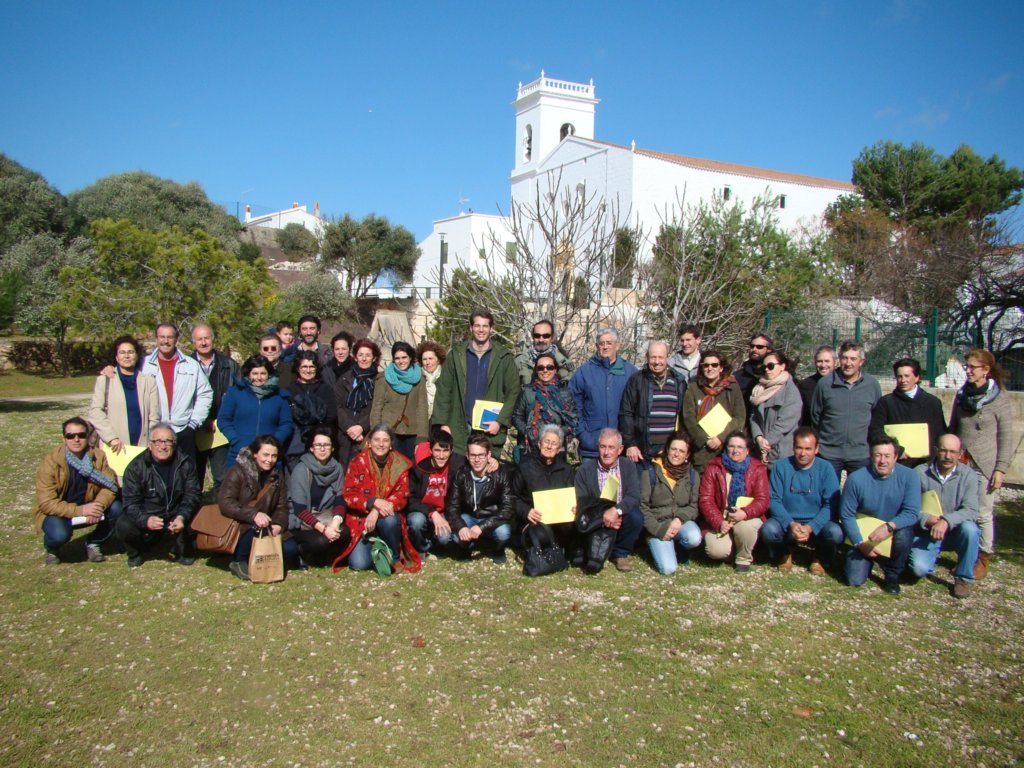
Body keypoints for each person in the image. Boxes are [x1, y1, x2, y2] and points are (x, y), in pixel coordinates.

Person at [949, 348, 1013, 580]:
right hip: (962, 462)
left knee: (983, 513)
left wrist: (1000, 468)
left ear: (986, 370)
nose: (968, 371)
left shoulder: (1000, 399)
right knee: (961, 510)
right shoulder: (961, 394)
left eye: (972, 367)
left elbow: (1005, 437)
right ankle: (965, 553)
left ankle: (983, 556)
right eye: (967, 366)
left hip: (985, 464)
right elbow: (953, 427)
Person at [432, 309, 521, 457]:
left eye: (485, 326)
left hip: (488, 428)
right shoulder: (456, 355)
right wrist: (443, 423)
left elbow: (513, 392)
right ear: (471, 328)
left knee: (486, 475)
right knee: (458, 473)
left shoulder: (503, 357)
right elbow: (444, 390)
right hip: (459, 426)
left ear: (491, 329)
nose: (481, 330)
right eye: (477, 325)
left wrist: (500, 422)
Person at [33, 417, 121, 564]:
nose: (76, 439)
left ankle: (94, 542)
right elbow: (46, 503)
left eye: (81, 435)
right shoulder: (51, 461)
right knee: (59, 534)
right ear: (64, 438)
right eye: (70, 436)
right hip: (59, 511)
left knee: (118, 508)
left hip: (91, 506)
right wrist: (80, 510)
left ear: (88, 437)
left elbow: (110, 486)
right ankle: (52, 548)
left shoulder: (98, 456)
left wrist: (97, 506)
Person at [839, 435, 920, 594]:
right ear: (871, 456)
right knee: (854, 580)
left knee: (905, 534)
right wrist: (860, 544)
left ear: (896, 457)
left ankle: (892, 575)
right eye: (878, 455)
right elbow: (846, 514)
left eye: (887, 456)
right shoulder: (856, 479)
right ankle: (869, 559)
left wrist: (889, 527)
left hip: (895, 531)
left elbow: (912, 513)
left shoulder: (910, 477)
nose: (883, 461)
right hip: (865, 536)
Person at [115, 423, 202, 568]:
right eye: (158, 442)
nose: (163, 446)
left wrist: (182, 516)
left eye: (168, 441)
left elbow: (192, 494)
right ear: (150, 445)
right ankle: (135, 552)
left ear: (174, 444)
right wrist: (145, 519)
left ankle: (182, 546)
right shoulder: (135, 467)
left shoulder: (186, 463)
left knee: (200, 514)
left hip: (176, 511)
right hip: (149, 512)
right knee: (124, 525)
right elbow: (130, 503)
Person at [337, 424, 419, 572]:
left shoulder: (400, 464)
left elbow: (401, 496)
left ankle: (393, 556)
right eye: (377, 440)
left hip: (386, 517)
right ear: (369, 442)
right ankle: (376, 545)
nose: (381, 444)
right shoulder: (357, 462)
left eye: (385, 440)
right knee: (359, 564)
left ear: (391, 444)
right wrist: (372, 502)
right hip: (361, 520)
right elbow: (349, 494)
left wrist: (376, 510)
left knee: (390, 519)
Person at [907, 434, 980, 599]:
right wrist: (927, 519)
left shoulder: (969, 475)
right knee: (918, 569)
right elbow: (909, 507)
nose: (948, 456)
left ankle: (963, 578)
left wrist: (947, 521)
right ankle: (927, 556)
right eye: (944, 451)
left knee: (971, 530)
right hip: (927, 532)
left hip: (955, 530)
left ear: (960, 453)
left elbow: (971, 510)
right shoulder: (919, 473)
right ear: (935, 450)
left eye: (953, 452)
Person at [761, 427, 843, 574]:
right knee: (769, 530)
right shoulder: (781, 467)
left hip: (816, 521)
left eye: (808, 448)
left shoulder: (826, 468)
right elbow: (773, 500)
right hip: (789, 521)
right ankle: (784, 553)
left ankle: (820, 557)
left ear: (816, 449)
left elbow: (831, 504)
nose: (802, 453)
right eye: (799, 448)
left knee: (835, 533)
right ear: (793, 447)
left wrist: (812, 526)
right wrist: (790, 523)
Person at [217, 435, 297, 581]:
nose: (269, 460)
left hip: (267, 523)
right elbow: (225, 502)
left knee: (290, 549)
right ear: (255, 454)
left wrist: (279, 524)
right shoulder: (238, 471)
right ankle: (239, 560)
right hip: (242, 523)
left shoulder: (277, 476)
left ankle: (257, 555)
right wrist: (253, 515)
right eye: (265, 455)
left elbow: (282, 506)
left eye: (274, 456)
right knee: (254, 528)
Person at [140, 322, 213, 466]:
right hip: (154, 432)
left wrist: (193, 423)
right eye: (162, 337)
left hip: (183, 430)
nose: (165, 341)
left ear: (176, 339)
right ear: (156, 339)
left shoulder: (191, 365)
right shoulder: (143, 365)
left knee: (186, 477)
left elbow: (205, 394)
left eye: (170, 337)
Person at [698, 431, 769, 573]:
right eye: (731, 446)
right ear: (726, 448)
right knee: (716, 551)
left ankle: (743, 558)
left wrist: (745, 513)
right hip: (721, 518)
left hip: (746, 518)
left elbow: (763, 500)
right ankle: (731, 550)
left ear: (747, 450)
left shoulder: (757, 469)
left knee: (745, 528)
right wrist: (719, 522)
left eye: (740, 447)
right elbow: (706, 500)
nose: (735, 450)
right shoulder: (714, 468)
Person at [574, 428, 644, 572]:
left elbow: (634, 496)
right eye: (603, 447)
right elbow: (583, 500)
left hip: (619, 515)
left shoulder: (628, 466)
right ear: (597, 448)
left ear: (620, 449)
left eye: (611, 447)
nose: (606, 452)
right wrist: (603, 516)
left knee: (636, 517)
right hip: (595, 520)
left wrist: (616, 511)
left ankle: (620, 553)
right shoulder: (585, 470)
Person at [810, 340, 881, 480]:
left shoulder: (872, 385)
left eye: (853, 359)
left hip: (860, 454)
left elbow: (876, 417)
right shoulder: (824, 384)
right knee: (828, 497)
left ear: (861, 361)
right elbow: (816, 416)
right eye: (845, 358)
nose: (848, 363)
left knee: (859, 497)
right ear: (839, 359)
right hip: (829, 453)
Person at [569, 327, 638, 459]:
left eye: (609, 343)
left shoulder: (630, 372)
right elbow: (573, 405)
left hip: (621, 446)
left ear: (617, 345)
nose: (605, 347)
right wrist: (582, 434)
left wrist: (631, 439)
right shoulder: (584, 372)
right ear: (596, 346)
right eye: (602, 343)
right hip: (592, 444)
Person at [287, 426, 352, 567]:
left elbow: (340, 499)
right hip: (303, 522)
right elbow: (299, 509)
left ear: (332, 448)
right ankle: (304, 552)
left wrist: (335, 523)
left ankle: (326, 558)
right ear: (311, 448)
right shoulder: (301, 470)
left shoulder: (337, 468)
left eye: (326, 445)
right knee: (321, 541)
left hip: (325, 516)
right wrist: (324, 529)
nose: (322, 449)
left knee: (344, 531)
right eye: (318, 445)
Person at [640, 431, 701, 575]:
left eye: (681, 451)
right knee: (668, 569)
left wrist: (679, 519)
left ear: (687, 455)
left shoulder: (692, 476)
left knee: (694, 538)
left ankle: (677, 549)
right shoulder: (650, 473)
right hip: (657, 524)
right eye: (673, 449)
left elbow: (694, 506)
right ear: (667, 450)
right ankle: (655, 546)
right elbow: (642, 507)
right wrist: (658, 529)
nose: (676, 454)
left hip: (680, 522)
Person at [868, 357, 946, 468]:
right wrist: (896, 450)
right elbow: (876, 431)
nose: (903, 380)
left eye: (907, 376)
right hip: (897, 463)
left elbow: (940, 433)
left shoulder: (933, 403)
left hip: (926, 465)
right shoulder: (885, 403)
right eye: (899, 376)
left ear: (917, 377)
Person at [511, 423, 578, 555]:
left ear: (559, 449)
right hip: (534, 521)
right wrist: (526, 511)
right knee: (541, 536)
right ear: (539, 444)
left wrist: (575, 507)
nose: (549, 446)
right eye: (546, 441)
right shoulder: (525, 467)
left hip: (560, 519)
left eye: (554, 444)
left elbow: (572, 497)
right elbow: (512, 497)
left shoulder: (566, 470)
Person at [218, 354, 293, 469]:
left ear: (269, 375)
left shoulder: (280, 396)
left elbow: (286, 424)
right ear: (248, 374)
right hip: (240, 453)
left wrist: (275, 442)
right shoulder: (235, 393)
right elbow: (224, 419)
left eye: (263, 373)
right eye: (255, 373)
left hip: (269, 457)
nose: (259, 377)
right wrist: (234, 439)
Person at [619, 340, 688, 464]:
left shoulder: (679, 382)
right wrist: (630, 444)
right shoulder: (637, 380)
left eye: (660, 357)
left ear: (667, 357)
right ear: (647, 357)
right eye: (653, 357)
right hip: (642, 451)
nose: (657, 362)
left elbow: (685, 417)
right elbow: (626, 413)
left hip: (670, 451)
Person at [190, 324, 238, 496]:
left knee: (223, 479)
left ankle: (219, 519)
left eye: (207, 338)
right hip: (194, 430)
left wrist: (219, 421)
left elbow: (235, 397)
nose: (203, 342)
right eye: (199, 339)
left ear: (213, 339)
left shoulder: (230, 366)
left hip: (220, 431)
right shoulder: (185, 366)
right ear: (193, 342)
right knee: (193, 480)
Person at [88, 336, 160, 452]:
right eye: (122, 352)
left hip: (141, 447)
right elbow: (95, 412)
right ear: (116, 357)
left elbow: (154, 417)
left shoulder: (149, 382)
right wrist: (111, 438)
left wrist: (151, 441)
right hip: (114, 446)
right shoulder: (105, 380)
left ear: (136, 355)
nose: (126, 356)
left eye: (130, 352)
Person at [681, 350, 745, 471]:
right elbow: (688, 417)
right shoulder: (694, 388)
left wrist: (720, 438)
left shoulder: (733, 388)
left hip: (726, 449)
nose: (710, 368)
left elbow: (739, 417)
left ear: (721, 368)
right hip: (701, 451)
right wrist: (704, 440)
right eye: (706, 365)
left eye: (714, 365)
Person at [406, 426, 466, 555]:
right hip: (422, 511)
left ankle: (433, 541)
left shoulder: (457, 465)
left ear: (452, 451)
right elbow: (410, 499)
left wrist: (492, 461)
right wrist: (432, 513)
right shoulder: (418, 466)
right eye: (437, 450)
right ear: (430, 450)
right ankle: (421, 547)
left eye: (445, 451)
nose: (441, 456)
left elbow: (477, 459)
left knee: (445, 538)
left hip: (444, 511)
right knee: (416, 522)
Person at [370, 340, 429, 462]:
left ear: (410, 357)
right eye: (397, 358)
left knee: (410, 469)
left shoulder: (419, 379)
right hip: (388, 432)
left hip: (412, 432)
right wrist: (376, 434)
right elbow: (377, 407)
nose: (401, 361)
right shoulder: (384, 378)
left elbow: (422, 408)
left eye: (404, 357)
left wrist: (422, 437)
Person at [511, 352, 578, 457]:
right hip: (531, 448)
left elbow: (573, 420)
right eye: (541, 368)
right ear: (536, 370)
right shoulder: (527, 391)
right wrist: (529, 432)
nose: (545, 370)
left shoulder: (565, 393)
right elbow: (516, 416)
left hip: (557, 448)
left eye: (549, 367)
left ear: (555, 369)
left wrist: (557, 433)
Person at [748, 350, 802, 469]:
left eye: (771, 366)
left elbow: (786, 422)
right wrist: (758, 438)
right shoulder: (759, 389)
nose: (767, 369)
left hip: (781, 452)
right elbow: (754, 416)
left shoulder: (790, 390)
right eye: (764, 367)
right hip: (760, 450)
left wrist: (767, 443)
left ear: (782, 366)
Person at [285, 351, 338, 468]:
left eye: (311, 367)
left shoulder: (325, 389)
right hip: (296, 441)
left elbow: (331, 415)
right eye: (304, 366)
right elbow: (287, 415)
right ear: (298, 368)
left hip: (320, 442)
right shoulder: (290, 390)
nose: (308, 370)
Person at [335, 338, 381, 467]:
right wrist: (349, 427)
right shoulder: (344, 379)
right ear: (355, 357)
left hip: (367, 433)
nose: (364, 358)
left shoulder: (379, 381)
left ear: (374, 358)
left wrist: (361, 427)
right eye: (360, 355)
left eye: (368, 355)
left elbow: (377, 407)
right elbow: (338, 406)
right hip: (345, 433)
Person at [515, 318, 573, 386]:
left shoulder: (563, 361)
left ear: (552, 337)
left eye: (546, 336)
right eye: (537, 336)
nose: (541, 340)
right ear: (533, 337)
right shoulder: (520, 361)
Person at [734, 333, 774, 412]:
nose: (754, 349)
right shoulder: (738, 376)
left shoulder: (777, 375)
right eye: (752, 346)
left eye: (759, 347)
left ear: (769, 349)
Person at [798, 346, 836, 426]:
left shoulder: (842, 384)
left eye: (827, 361)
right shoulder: (806, 385)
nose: (823, 365)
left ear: (835, 362)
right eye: (819, 361)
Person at [416, 340, 447, 421]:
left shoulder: (446, 377)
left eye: (431, 358)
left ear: (438, 360)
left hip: (441, 422)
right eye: (424, 359)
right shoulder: (417, 379)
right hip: (421, 422)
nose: (427, 362)